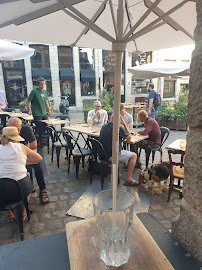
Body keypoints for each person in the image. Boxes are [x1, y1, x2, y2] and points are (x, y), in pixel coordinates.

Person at [0, 126, 42, 222]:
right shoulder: (21, 147)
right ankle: (23, 212)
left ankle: (10, 214)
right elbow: (38, 158)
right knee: (28, 186)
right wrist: (22, 161)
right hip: (20, 189)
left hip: (2, 190)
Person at [8, 117, 49, 204]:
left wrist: (26, 158)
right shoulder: (5, 133)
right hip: (14, 158)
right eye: (10, 129)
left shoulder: (26, 129)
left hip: (27, 156)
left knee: (38, 163)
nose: (13, 132)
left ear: (21, 126)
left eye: (16, 129)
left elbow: (34, 147)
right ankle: (25, 187)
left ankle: (42, 189)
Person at [99, 114, 139, 186]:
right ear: (119, 120)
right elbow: (129, 137)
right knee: (134, 156)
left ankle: (121, 170)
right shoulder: (118, 128)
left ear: (110, 119)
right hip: (111, 155)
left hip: (102, 155)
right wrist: (124, 124)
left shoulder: (104, 126)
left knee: (121, 150)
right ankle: (128, 179)